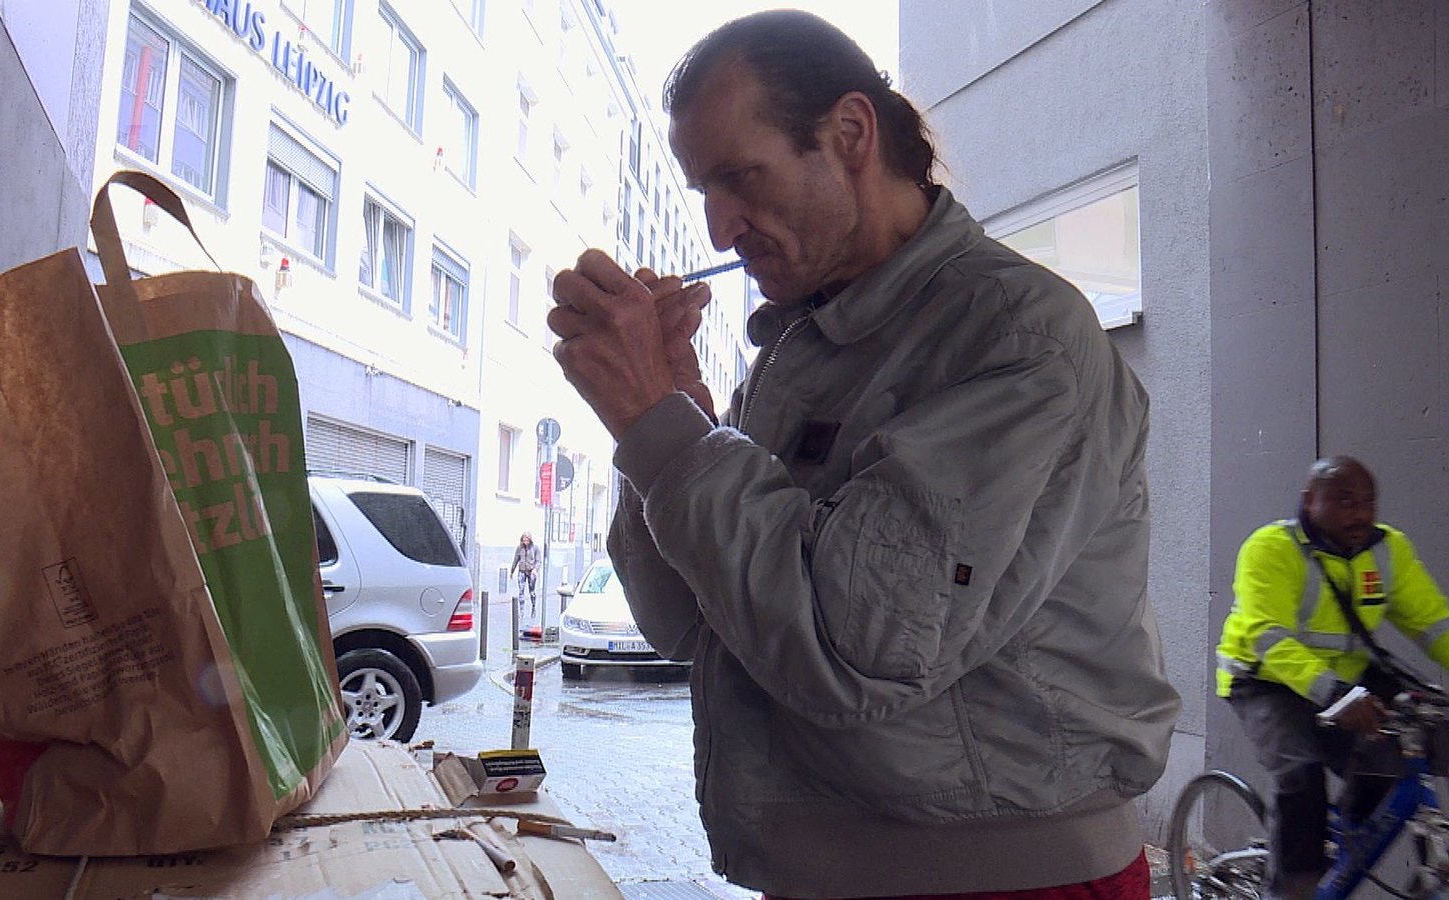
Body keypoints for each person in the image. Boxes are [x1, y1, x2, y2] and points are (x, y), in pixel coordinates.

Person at [546, 10, 1179, 899]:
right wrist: (668, 418)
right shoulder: (800, 350)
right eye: (703, 191)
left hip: (1005, 880)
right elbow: (686, 624)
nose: (720, 230)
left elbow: (853, 651)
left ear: (849, 134)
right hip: (822, 874)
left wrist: (659, 421)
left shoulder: (1017, 336)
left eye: (739, 177)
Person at [1217, 455, 1449, 900]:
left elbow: (1433, 624)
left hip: (1347, 678)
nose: (1360, 514)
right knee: (1300, 776)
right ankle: (1294, 885)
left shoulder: (1388, 550)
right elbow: (1269, 638)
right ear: (1310, 501)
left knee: (1404, 755)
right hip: (1266, 680)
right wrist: (1336, 694)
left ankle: (1341, 845)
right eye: (1345, 501)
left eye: (1368, 502)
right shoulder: (1271, 548)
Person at [511, 532, 540, 618]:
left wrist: (535, 569)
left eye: (527, 540)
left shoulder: (535, 548)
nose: (525, 542)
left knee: (532, 592)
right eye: (524, 540)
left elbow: (538, 561)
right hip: (522, 571)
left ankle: (533, 607)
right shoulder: (519, 548)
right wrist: (512, 571)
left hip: (531, 571)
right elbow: (516, 559)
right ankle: (521, 611)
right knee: (521, 591)